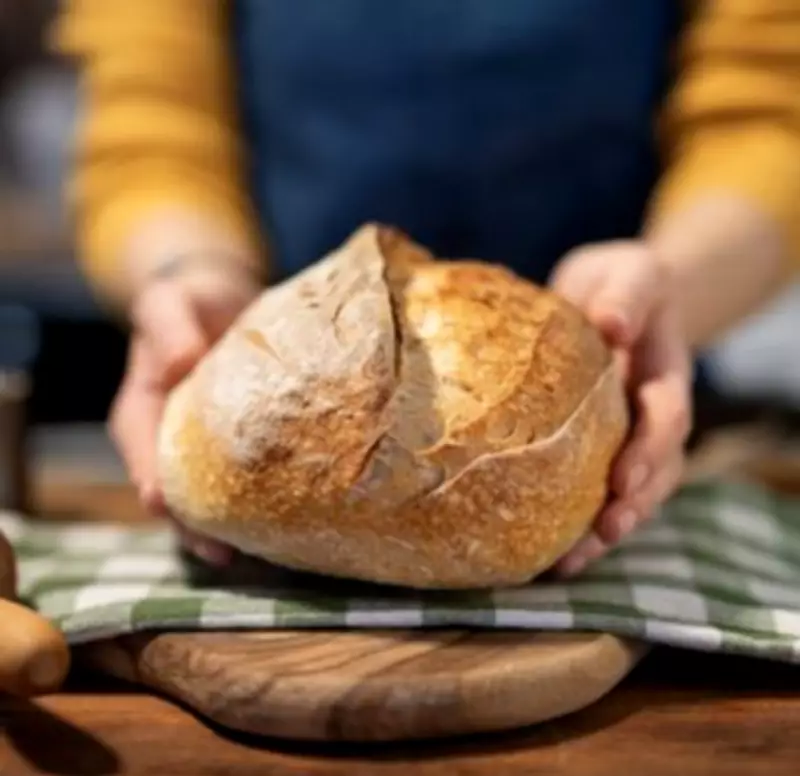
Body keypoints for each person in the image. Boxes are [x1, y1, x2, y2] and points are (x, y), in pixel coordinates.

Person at [54, 1, 800, 576]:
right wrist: (188, 277)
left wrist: (670, 282)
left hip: (631, 430)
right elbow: (154, 123)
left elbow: (770, 114)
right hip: (265, 386)